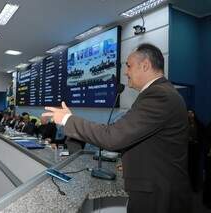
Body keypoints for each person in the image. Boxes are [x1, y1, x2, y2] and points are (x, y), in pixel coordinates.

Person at [42, 43, 192, 213]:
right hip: (155, 189)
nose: (126, 72)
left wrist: (68, 119)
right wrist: (131, 163)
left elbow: (113, 137)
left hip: (159, 197)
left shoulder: (159, 95)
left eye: (129, 66)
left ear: (145, 65)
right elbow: (149, 142)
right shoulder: (160, 93)